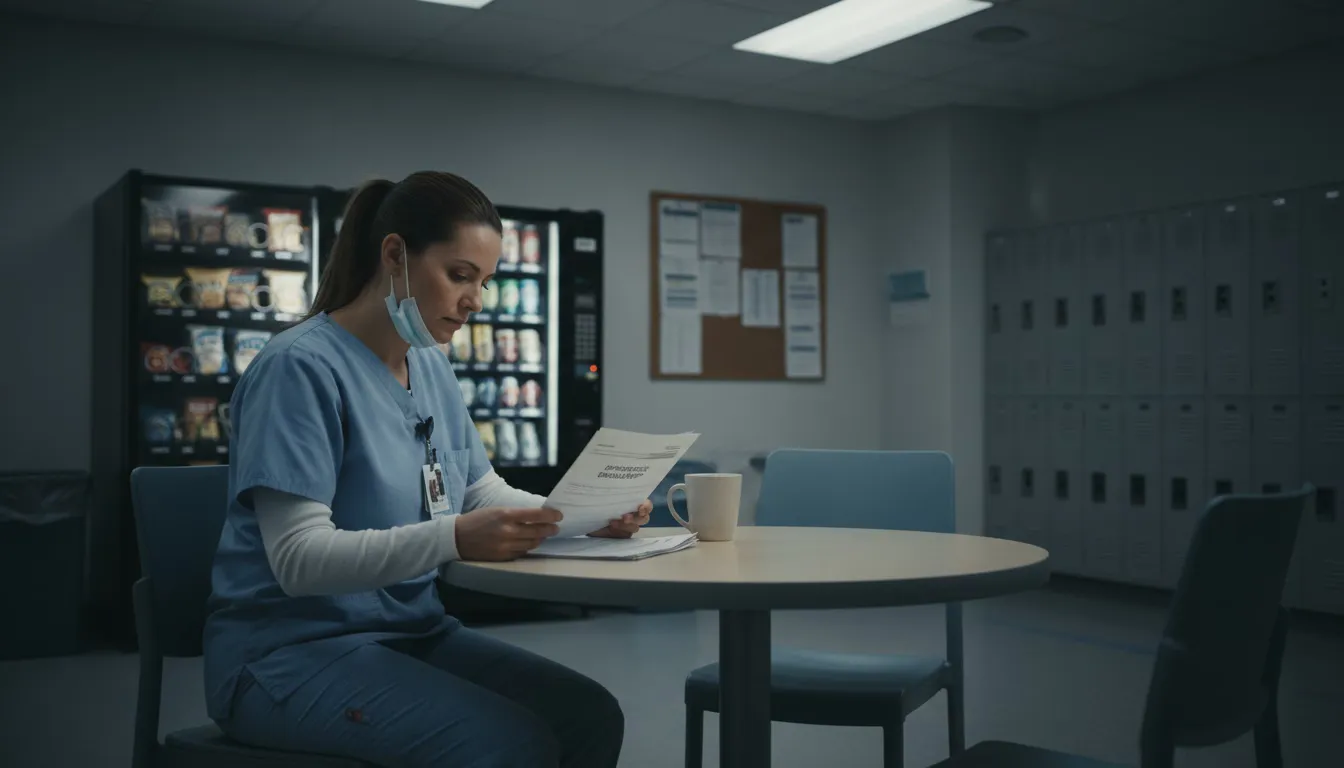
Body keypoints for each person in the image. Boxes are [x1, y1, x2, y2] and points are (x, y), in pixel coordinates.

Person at [203, 171, 649, 767]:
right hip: (288, 658)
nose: (476, 301)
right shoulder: (298, 370)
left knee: (588, 717)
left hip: (412, 635)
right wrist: (453, 538)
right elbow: (299, 560)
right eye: (460, 275)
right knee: (510, 744)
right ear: (395, 254)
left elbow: (478, 491)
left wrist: (579, 516)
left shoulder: (431, 365)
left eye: (486, 282)